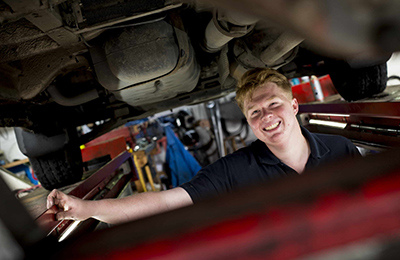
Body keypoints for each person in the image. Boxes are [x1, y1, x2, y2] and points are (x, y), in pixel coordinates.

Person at [46, 68, 360, 225]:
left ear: (293, 106)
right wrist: (88, 209)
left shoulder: (340, 150)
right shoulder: (234, 170)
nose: (267, 116)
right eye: (255, 112)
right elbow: (167, 203)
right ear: (249, 122)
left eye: (273, 104)